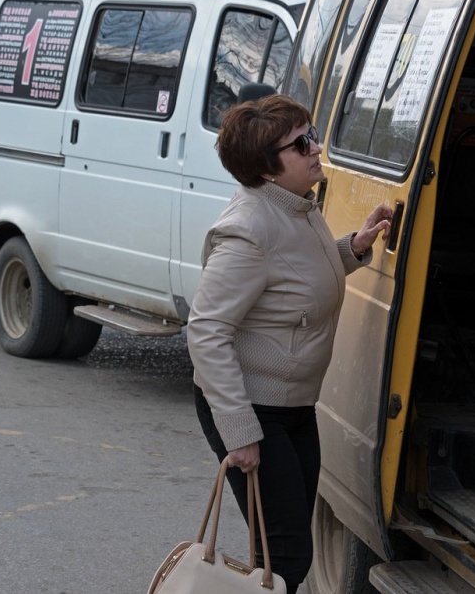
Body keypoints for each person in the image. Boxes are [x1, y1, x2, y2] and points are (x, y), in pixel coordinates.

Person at [188, 93, 392, 594]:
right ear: (267, 167)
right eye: (301, 144)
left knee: (282, 552)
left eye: (312, 136)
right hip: (255, 409)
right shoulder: (250, 229)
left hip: (295, 404)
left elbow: (296, 282)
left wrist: (353, 248)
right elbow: (206, 330)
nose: (315, 148)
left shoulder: (296, 208)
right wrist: (239, 431)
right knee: (288, 555)